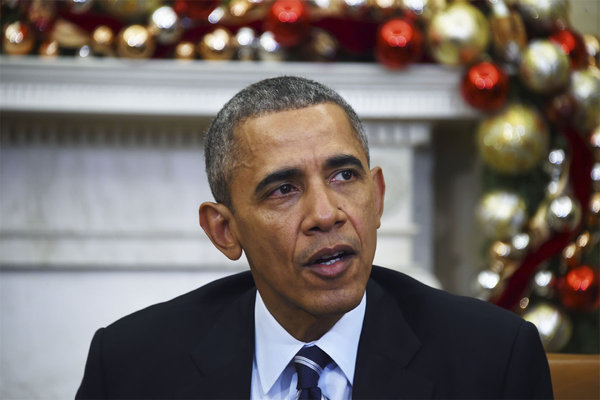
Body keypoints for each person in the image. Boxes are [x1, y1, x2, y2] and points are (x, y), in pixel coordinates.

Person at [76, 76, 553, 399]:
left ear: (378, 197)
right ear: (225, 230)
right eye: (283, 189)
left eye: (345, 176)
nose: (326, 215)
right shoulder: (130, 366)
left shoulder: (493, 360)